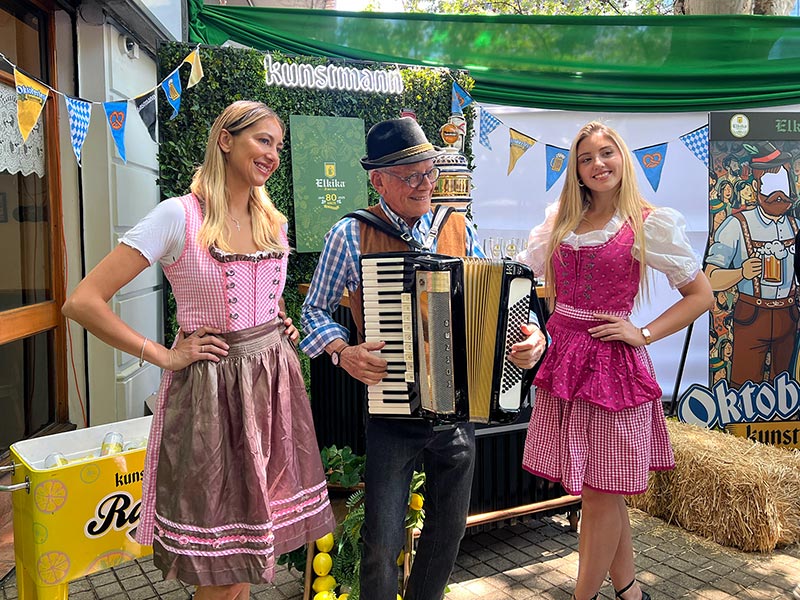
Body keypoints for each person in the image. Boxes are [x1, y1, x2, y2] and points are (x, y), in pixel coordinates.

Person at [62, 100, 335, 600]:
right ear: (225, 140)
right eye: (263, 140)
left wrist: (277, 321)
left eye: (278, 145)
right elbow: (82, 302)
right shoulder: (179, 216)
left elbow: (266, 299)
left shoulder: (271, 221)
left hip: (272, 391)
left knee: (248, 556)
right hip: (213, 396)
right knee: (223, 570)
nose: (273, 154)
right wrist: (162, 354)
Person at [300, 117, 547, 600]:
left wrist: (534, 336)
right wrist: (342, 351)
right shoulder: (350, 234)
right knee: (381, 541)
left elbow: (499, 303)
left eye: (429, 172)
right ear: (379, 181)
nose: (425, 184)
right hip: (392, 414)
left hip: (458, 415)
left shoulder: (457, 227)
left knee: (448, 532)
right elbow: (313, 310)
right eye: (411, 175)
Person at [516, 121, 713, 600]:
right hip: (564, 362)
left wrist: (642, 333)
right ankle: (630, 593)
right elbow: (521, 281)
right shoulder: (561, 220)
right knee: (599, 488)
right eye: (586, 158)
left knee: (601, 491)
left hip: (612, 370)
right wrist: (534, 331)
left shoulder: (647, 223)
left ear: (622, 158)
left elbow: (701, 295)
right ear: (576, 170)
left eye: (606, 153)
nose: (597, 164)